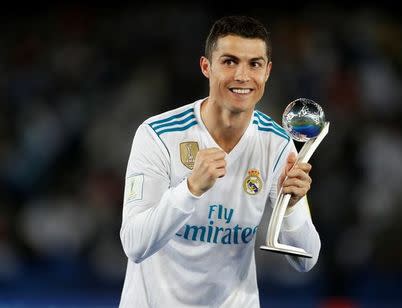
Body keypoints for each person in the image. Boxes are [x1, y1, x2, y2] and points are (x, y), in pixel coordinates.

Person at [119, 15, 321, 307]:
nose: (242, 75)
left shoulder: (277, 143)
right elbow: (135, 245)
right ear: (206, 67)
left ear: (267, 72)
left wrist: (290, 207)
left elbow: (306, 261)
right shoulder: (158, 135)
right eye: (229, 61)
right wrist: (189, 189)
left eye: (254, 64)